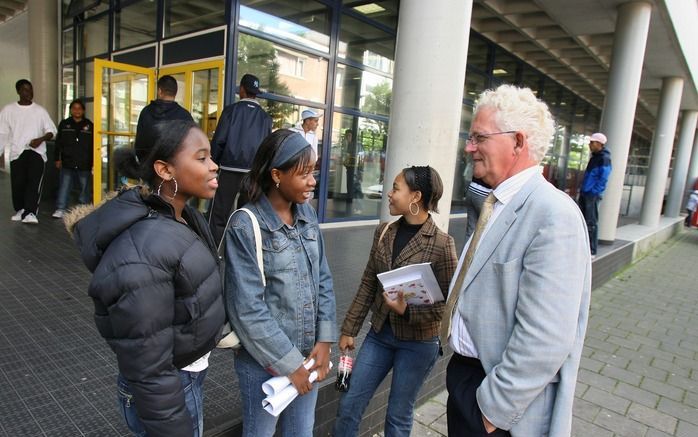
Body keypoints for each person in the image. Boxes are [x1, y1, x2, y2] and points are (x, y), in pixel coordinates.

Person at [441, 85, 591, 437]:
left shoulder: (554, 215)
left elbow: (547, 337)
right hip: (467, 378)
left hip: (498, 406)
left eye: (479, 137)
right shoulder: (496, 202)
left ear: (518, 142)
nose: (469, 147)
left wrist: (491, 412)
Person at [66, 120, 226, 437]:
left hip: (185, 377)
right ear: (165, 170)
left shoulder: (185, 216)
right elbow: (148, 363)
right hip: (168, 390)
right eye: (201, 157)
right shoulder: (143, 249)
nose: (214, 166)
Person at [223, 129, 337, 437]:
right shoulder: (246, 225)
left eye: (314, 172)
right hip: (264, 362)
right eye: (304, 175)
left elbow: (323, 278)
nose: (313, 181)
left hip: (308, 356)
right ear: (276, 174)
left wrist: (325, 340)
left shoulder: (308, 216)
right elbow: (246, 308)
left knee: (301, 432)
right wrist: (290, 366)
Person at [334, 166, 457, 437]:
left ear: (415, 196)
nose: (389, 194)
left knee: (398, 415)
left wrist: (407, 310)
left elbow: (449, 305)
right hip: (380, 335)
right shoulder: (384, 231)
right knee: (349, 404)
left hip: (419, 343)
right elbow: (368, 282)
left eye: (396, 188)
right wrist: (349, 329)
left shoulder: (441, 244)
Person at [209, 73, 272, 245]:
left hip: (229, 170)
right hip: (252, 174)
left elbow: (219, 140)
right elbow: (268, 148)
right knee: (247, 215)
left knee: (219, 214)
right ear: (256, 92)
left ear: (242, 90)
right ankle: (242, 250)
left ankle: (215, 250)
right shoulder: (265, 118)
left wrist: (213, 163)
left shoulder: (230, 111)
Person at [0, 79, 57, 224]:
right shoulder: (8, 110)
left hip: (36, 152)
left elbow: (52, 131)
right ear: (18, 91)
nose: (29, 93)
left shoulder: (39, 111)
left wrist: (40, 139)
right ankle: (20, 210)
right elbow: (2, 133)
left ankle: (31, 212)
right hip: (17, 152)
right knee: (18, 184)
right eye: (25, 90)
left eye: (30, 90)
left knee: (34, 183)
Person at [52, 98, 93, 219]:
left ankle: (83, 209)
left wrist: (94, 162)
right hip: (67, 161)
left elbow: (93, 145)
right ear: (70, 110)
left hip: (84, 162)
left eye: (79, 108)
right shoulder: (64, 124)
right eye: (74, 108)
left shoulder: (89, 125)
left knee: (84, 187)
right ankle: (61, 208)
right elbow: (58, 143)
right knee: (64, 185)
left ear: (84, 110)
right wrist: (57, 159)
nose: (77, 110)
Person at [134, 75, 193, 152]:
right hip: (175, 163)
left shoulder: (146, 112)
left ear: (159, 91)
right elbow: (191, 145)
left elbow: (139, 144)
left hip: (149, 162)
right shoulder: (185, 116)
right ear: (175, 93)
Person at [578, 132, 612, 257]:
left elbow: (603, 178)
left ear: (599, 143)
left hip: (591, 195)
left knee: (591, 222)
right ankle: (583, 247)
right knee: (583, 220)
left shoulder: (604, 158)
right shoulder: (595, 157)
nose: (589, 144)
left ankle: (592, 250)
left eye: (592, 142)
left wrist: (593, 192)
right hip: (586, 193)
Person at [342, 129, 364, 214]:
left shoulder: (357, 145)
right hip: (351, 170)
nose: (347, 138)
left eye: (349, 136)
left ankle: (359, 207)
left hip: (356, 171)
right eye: (347, 136)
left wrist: (361, 172)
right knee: (351, 188)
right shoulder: (350, 145)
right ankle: (351, 206)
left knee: (356, 189)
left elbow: (360, 160)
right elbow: (348, 158)